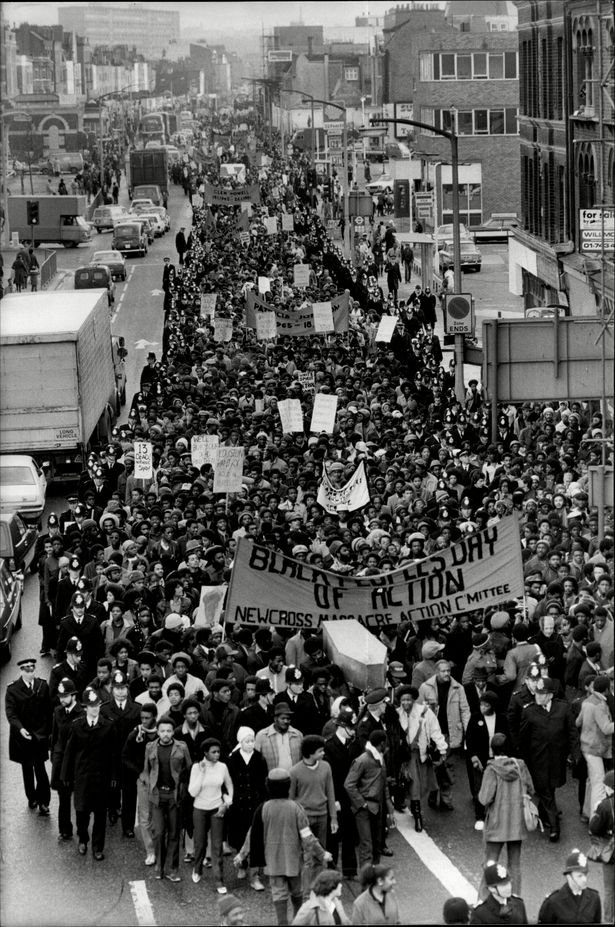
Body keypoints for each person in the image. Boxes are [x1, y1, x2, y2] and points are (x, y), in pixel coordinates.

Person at [235, 767, 333, 927]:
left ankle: (282, 923)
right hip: (294, 859)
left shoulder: (263, 808)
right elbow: (308, 836)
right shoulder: (296, 808)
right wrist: (322, 854)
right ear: (288, 786)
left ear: (268, 786)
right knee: (297, 892)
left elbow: (252, 835)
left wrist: (242, 855)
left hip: (273, 861)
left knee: (278, 894)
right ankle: (298, 919)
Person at [60, 688, 117, 860]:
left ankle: (98, 847)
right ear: (85, 707)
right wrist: (65, 776)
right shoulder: (77, 725)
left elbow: (113, 754)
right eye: (91, 706)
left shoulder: (108, 725)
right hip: (82, 776)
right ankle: (83, 839)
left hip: (101, 777)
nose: (95, 709)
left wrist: (114, 776)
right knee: (82, 811)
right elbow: (69, 752)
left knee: (100, 814)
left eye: (97, 705)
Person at [520, 676, 579, 841]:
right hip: (537, 761)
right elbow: (523, 740)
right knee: (545, 791)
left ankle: (545, 815)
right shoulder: (529, 711)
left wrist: (575, 754)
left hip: (556, 760)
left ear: (551, 695)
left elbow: (572, 733)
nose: (537, 696)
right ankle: (555, 828)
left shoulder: (563, 709)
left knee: (550, 789)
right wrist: (522, 762)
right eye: (537, 693)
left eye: (542, 694)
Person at [476, 733, 534, 899]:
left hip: (496, 824)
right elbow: (530, 788)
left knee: (490, 863)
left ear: (492, 749)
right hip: (517, 823)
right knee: (514, 864)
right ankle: (515, 900)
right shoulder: (520, 765)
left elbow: (484, 798)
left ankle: (483, 901)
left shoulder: (492, 769)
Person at [143, 714, 192, 881]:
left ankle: (172, 869)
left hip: (174, 795)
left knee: (173, 833)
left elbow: (189, 769)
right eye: (162, 730)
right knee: (158, 832)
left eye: (169, 731)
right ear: (157, 731)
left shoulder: (182, 747)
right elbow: (147, 770)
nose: (165, 734)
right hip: (157, 795)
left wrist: (184, 790)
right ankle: (159, 866)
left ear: (173, 732)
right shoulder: (150, 747)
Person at [418, 658, 470, 811]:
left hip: (450, 733)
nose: (446, 673)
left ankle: (446, 800)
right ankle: (433, 795)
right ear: (436, 672)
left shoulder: (458, 688)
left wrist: (467, 732)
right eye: (443, 671)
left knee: (448, 767)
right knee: (434, 767)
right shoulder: (425, 688)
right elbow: (419, 711)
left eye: (448, 671)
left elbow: (464, 710)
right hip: (433, 735)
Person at [394, 684, 447, 831]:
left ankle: (412, 806)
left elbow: (435, 730)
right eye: (403, 700)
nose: (406, 703)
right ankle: (418, 817)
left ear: (413, 700)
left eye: (408, 700)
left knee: (420, 785)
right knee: (414, 785)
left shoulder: (425, 712)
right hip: (405, 756)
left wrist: (442, 749)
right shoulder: (396, 714)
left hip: (420, 754)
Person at [289, 734, 338, 895]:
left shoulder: (326, 767)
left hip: (323, 815)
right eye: (320, 751)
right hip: (305, 819)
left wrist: (333, 818)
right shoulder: (295, 771)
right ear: (310, 753)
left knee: (321, 855)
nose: (323, 754)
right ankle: (307, 892)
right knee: (308, 857)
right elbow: (291, 799)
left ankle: (320, 889)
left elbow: (330, 793)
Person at [5, 657, 52, 814]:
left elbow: (48, 710)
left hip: (39, 735)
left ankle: (44, 802)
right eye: (26, 669)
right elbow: (11, 714)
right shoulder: (13, 689)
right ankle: (31, 797)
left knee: (40, 769)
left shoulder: (42, 685)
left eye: (32, 668)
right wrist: (20, 729)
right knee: (27, 769)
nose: (30, 671)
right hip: (23, 737)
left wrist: (46, 731)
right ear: (21, 671)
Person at [344, 730, 395, 869]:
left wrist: (388, 804)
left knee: (376, 844)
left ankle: (373, 875)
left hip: (377, 807)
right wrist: (362, 804)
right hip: (365, 809)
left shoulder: (380, 757)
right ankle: (366, 881)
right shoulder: (363, 760)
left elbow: (383, 783)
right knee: (366, 845)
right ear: (382, 743)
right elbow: (349, 784)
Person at [189, 736, 233, 893]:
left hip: (217, 808)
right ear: (205, 753)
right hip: (199, 808)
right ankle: (197, 868)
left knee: (217, 846)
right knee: (200, 843)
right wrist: (201, 772)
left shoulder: (222, 767)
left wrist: (226, 803)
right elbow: (192, 791)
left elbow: (229, 786)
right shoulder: (196, 768)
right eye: (213, 752)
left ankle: (219, 880)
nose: (217, 755)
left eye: (218, 752)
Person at [226, 726, 268, 891]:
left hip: (256, 803)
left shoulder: (259, 758)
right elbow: (229, 780)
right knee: (239, 835)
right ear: (240, 742)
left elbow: (264, 781)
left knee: (256, 837)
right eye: (247, 741)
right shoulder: (233, 759)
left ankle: (255, 875)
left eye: (252, 741)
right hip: (238, 803)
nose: (250, 744)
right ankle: (242, 864)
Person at [121, 702, 159, 865]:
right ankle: (150, 850)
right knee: (144, 816)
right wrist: (139, 772)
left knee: (159, 815)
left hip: (160, 780)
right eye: (142, 718)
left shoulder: (163, 731)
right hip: (143, 780)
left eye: (147, 718)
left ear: (154, 718)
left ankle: (160, 847)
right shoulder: (135, 734)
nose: (144, 721)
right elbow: (125, 756)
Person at [50, 677, 84, 839]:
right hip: (61, 760)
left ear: (73, 696)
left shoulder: (82, 713)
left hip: (76, 763)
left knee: (78, 799)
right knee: (63, 798)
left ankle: (81, 830)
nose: (62, 699)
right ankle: (64, 829)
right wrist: (54, 756)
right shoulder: (57, 711)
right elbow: (55, 736)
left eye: (65, 696)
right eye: (60, 696)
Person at [575, 675, 614, 819]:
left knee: (591, 782)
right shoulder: (600, 705)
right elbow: (606, 728)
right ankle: (596, 818)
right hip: (596, 749)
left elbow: (578, 722)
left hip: (586, 746)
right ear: (606, 689)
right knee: (599, 783)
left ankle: (586, 812)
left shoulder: (587, 701)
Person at [537, 849, 602, 923]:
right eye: (579, 876)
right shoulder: (553, 901)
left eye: (585, 874)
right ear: (569, 877)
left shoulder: (594, 898)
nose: (585, 879)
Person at [588, 769, 614, 923]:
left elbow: (594, 828)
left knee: (610, 890)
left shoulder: (605, 805)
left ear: (610, 787)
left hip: (610, 853)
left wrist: (596, 810)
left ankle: (609, 919)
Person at [254, 701, 303, 771]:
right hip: (271, 779)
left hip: (293, 778)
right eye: (283, 718)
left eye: (288, 719)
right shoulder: (262, 736)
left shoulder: (298, 735)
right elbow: (256, 762)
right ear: (275, 719)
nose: (286, 721)